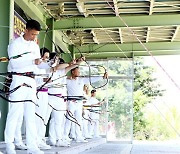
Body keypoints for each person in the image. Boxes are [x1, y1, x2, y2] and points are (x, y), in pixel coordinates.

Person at [5, 19, 44, 154]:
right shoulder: (14, 44)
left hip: (31, 81)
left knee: (30, 115)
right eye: (32, 34)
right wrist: (32, 60)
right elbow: (14, 64)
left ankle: (32, 147)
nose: (34, 37)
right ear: (26, 30)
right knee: (14, 114)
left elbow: (37, 66)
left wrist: (48, 66)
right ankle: (10, 146)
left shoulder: (34, 47)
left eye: (36, 35)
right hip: (18, 79)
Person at [64, 65, 108, 143]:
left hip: (79, 103)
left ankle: (79, 137)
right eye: (78, 71)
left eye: (79, 71)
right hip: (71, 102)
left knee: (79, 120)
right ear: (73, 72)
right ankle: (65, 137)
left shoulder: (82, 80)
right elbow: (59, 78)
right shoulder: (67, 80)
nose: (79, 73)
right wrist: (67, 77)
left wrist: (102, 77)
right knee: (69, 120)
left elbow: (91, 78)